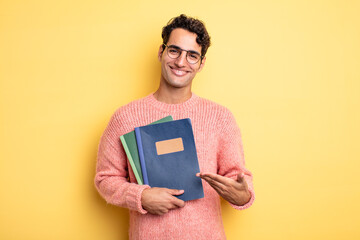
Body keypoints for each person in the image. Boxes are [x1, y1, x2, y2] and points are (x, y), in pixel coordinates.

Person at [95, 14, 255, 240]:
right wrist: (141, 196)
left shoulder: (220, 117)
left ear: (202, 63)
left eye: (192, 55)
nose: (181, 62)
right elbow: (105, 179)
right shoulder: (125, 117)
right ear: (161, 52)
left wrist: (243, 195)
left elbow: (240, 180)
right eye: (174, 51)